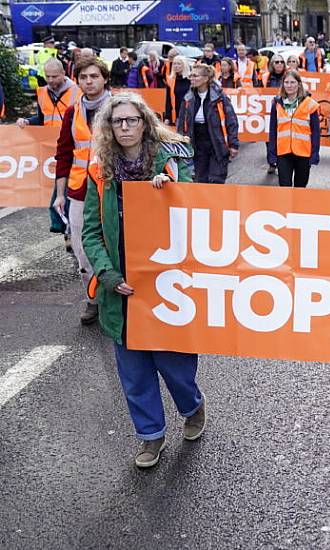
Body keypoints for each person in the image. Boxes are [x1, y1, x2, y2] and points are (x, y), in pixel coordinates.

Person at [81, 92, 205, 469]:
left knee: (174, 366)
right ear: (108, 127)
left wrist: (169, 192)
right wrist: (106, 273)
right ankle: (150, 436)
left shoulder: (172, 161)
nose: (124, 127)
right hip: (120, 289)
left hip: (164, 285)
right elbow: (90, 232)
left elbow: (197, 212)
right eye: (117, 121)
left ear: (145, 123)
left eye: (131, 120)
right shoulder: (100, 171)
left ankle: (192, 406)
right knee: (134, 373)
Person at [52, 57, 112, 325]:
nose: (89, 82)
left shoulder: (121, 108)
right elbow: (64, 153)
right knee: (82, 250)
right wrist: (60, 194)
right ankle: (93, 300)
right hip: (79, 190)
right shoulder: (72, 111)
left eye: (94, 76)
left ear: (104, 78)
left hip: (112, 189)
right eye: (84, 78)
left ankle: (116, 300)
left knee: (114, 245)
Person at [176, 63, 239, 184]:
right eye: (191, 76)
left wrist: (233, 144)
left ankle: (216, 203)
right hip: (198, 143)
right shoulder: (188, 98)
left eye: (195, 76)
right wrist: (180, 142)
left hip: (217, 142)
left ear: (206, 78)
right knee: (201, 180)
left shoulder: (219, 97)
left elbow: (231, 121)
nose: (192, 79)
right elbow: (181, 121)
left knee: (216, 179)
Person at [268, 70, 320, 188]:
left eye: (292, 82)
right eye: (286, 82)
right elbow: (272, 131)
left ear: (299, 84)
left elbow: (315, 132)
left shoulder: (310, 104)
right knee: (285, 187)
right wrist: (271, 153)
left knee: (300, 188)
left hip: (303, 152)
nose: (289, 85)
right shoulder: (277, 103)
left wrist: (314, 153)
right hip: (283, 152)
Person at [17, 59, 80, 128]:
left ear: (63, 73)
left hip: (68, 137)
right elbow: (41, 119)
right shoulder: (42, 93)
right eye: (47, 76)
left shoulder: (77, 92)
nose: (50, 80)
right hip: (49, 136)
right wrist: (27, 121)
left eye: (54, 76)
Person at [163, 56, 192, 125]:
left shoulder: (191, 80)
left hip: (190, 115)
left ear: (184, 65)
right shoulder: (170, 80)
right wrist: (167, 117)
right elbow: (168, 100)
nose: (176, 66)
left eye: (179, 64)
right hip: (177, 116)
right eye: (174, 64)